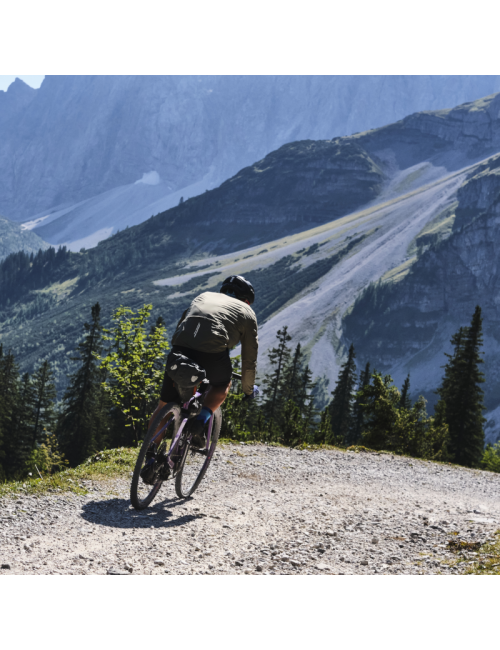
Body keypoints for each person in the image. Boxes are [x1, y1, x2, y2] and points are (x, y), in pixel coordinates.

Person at [153, 275, 259, 448]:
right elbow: (249, 358)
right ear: (246, 300)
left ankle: (149, 457)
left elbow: (181, 325)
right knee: (222, 385)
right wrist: (248, 390)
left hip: (180, 349)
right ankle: (200, 421)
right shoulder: (247, 311)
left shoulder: (204, 296)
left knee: (162, 408)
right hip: (213, 353)